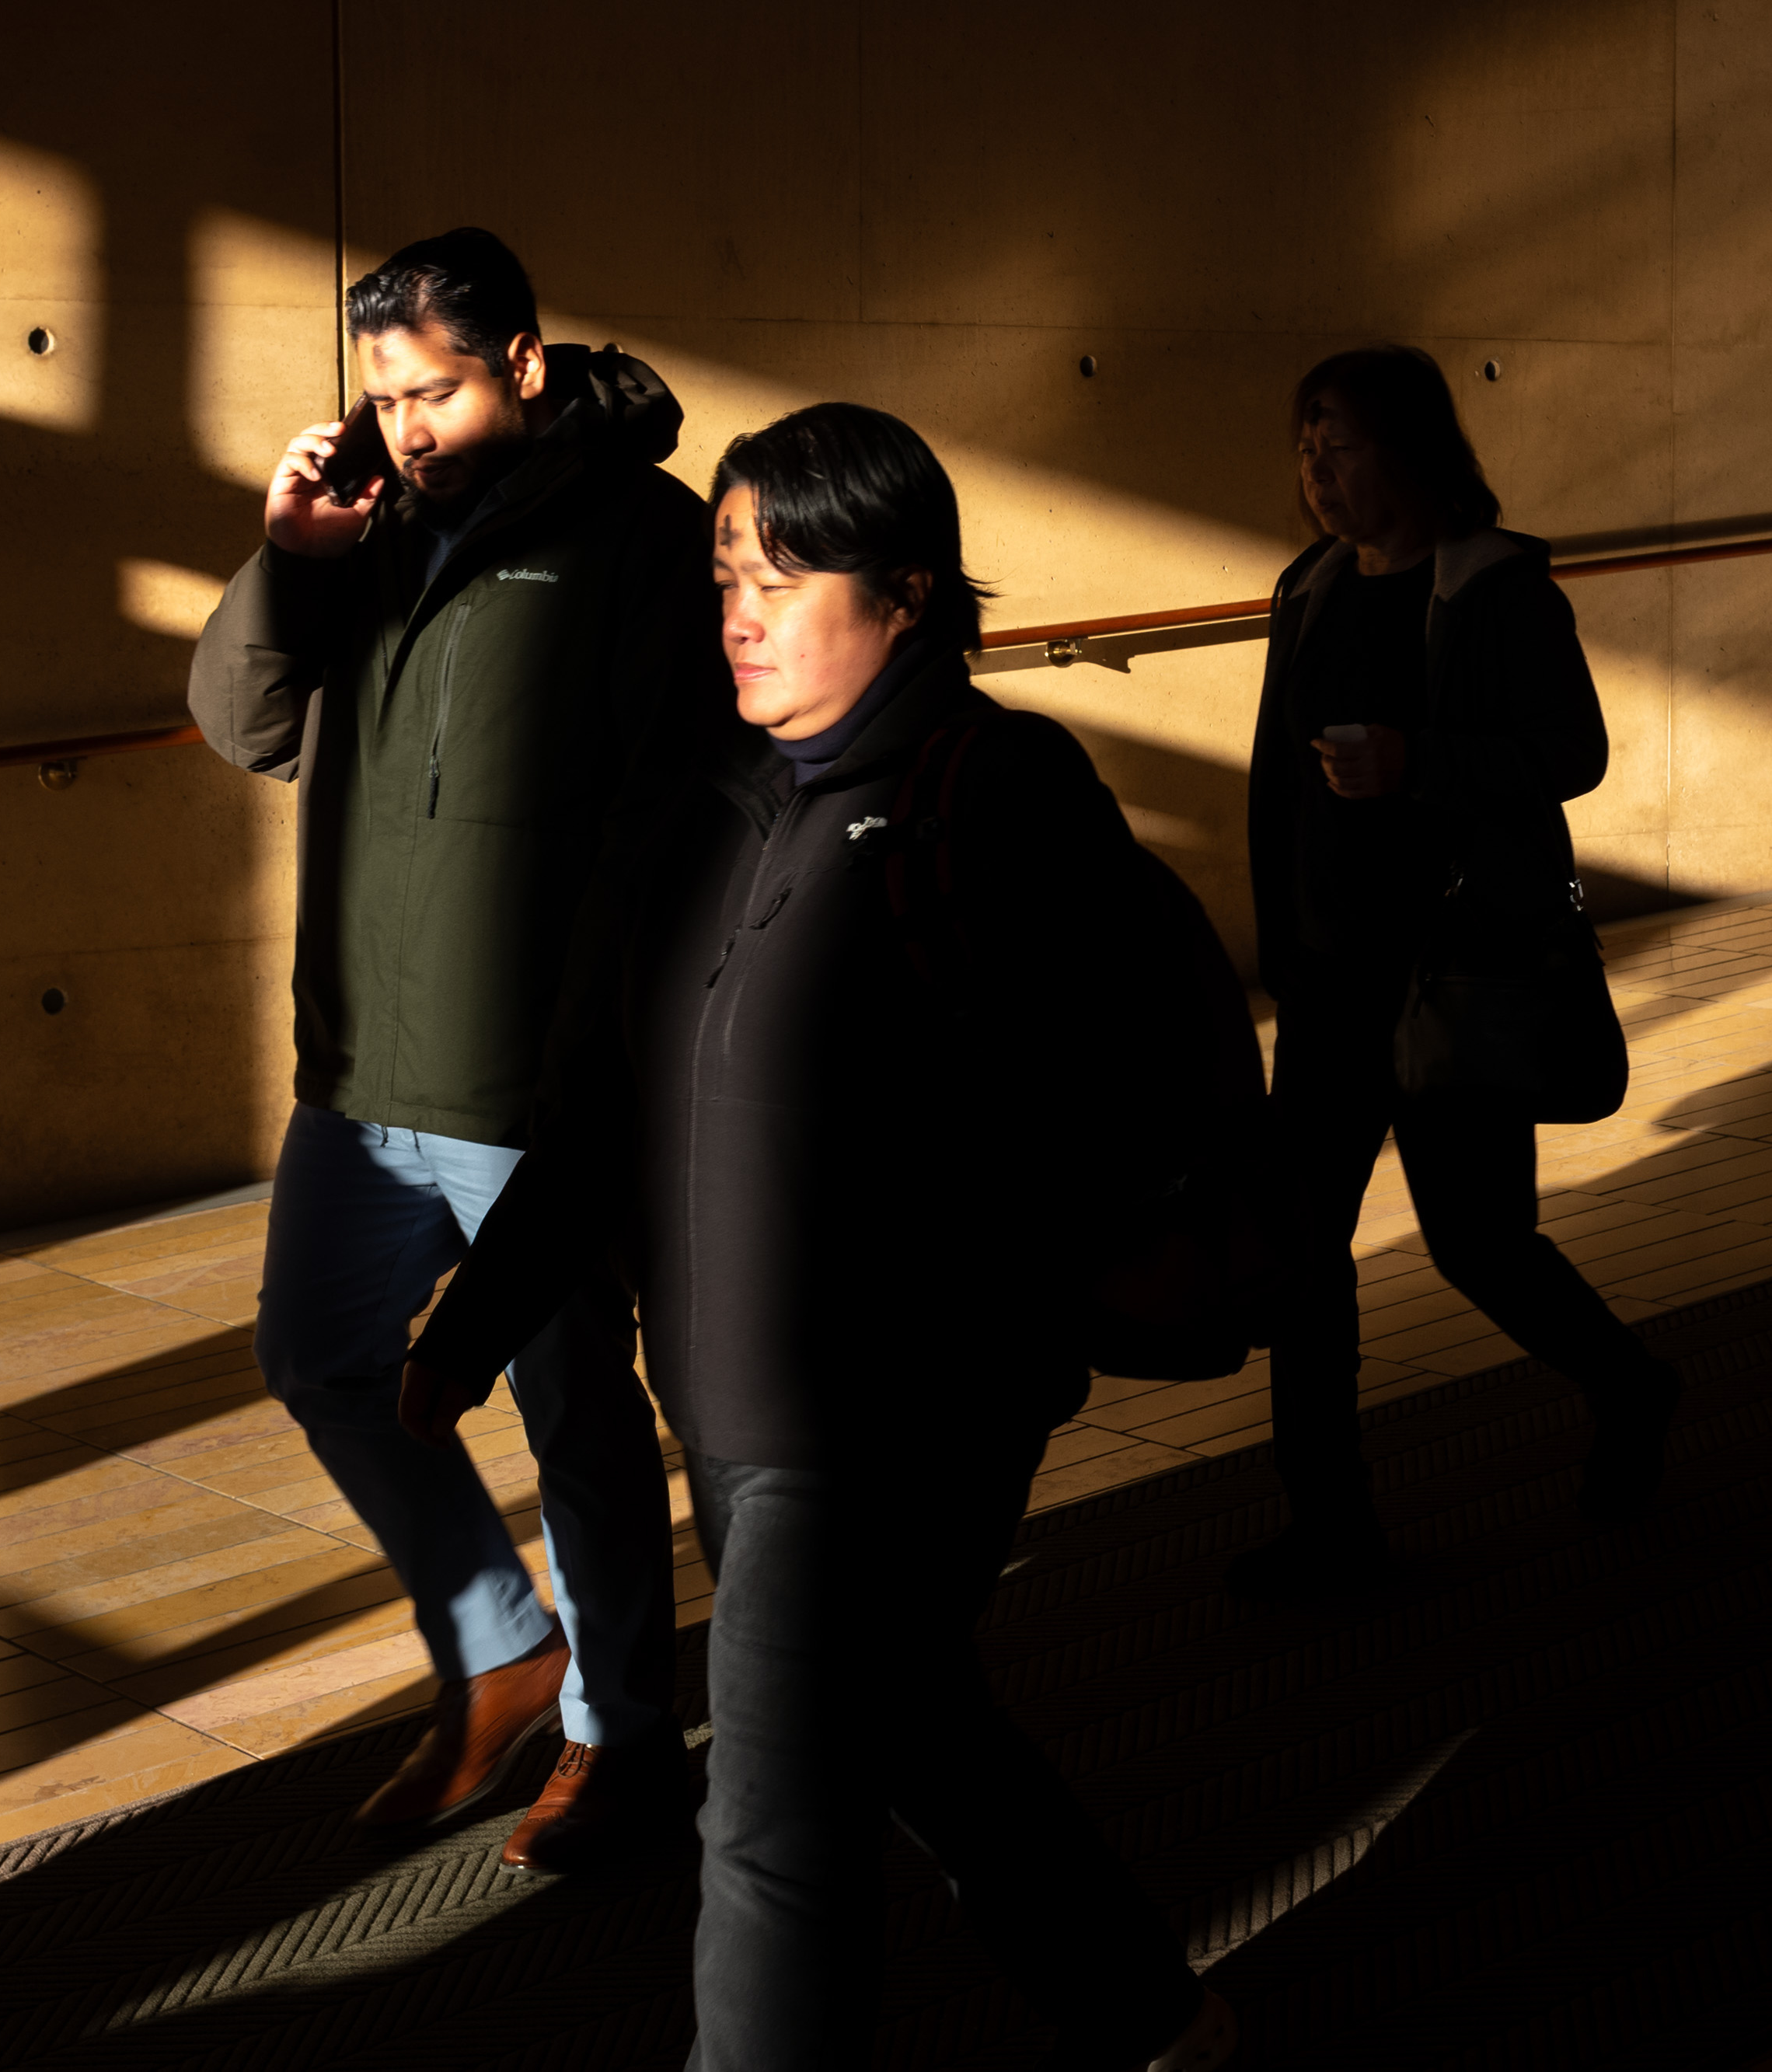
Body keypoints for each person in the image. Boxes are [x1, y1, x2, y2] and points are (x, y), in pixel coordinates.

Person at [402, 404, 1241, 2071]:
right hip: (726, 1408)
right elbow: (606, 1101)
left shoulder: (993, 797)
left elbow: (1132, 1077)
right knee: (916, 1725)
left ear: (907, 592)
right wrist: (480, 1312)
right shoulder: (699, 803)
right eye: (724, 572)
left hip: (898, 1420)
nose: (737, 610)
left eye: (781, 577)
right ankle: (1161, 2020)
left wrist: (1009, 1272)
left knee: (771, 1830)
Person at [186, 228, 720, 1869]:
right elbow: (245, 721)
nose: (405, 426)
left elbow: (662, 811)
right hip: (360, 1072)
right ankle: (504, 1645)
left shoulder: (641, 535)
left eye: (433, 390)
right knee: (317, 1356)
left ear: (522, 365)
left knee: (571, 1408)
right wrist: (285, 554)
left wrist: (600, 1052)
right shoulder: (367, 536)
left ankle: (619, 1734)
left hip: (528, 1084)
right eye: (383, 398)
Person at [1233, 346, 1683, 1598]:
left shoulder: (1495, 591)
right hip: (1332, 985)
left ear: (1417, 451)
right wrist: (1282, 957)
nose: (1318, 472)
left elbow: (1571, 750)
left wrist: (1417, 763)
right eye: (1307, 446)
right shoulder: (1309, 586)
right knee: (1302, 1255)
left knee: (1479, 1243)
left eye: (1345, 445)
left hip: (1456, 977)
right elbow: (1279, 787)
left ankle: (1629, 1385)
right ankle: (1332, 1525)